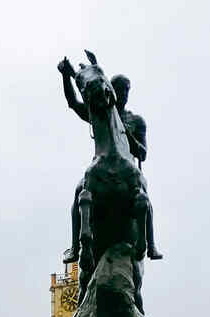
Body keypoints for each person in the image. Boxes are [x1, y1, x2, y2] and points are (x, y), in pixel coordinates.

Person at [58, 58, 162, 263]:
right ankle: (75, 246)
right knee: (80, 190)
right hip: (102, 164)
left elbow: (143, 153)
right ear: (111, 90)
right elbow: (73, 103)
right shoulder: (99, 113)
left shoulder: (136, 120)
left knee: (144, 196)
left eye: (126, 90)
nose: (123, 94)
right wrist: (65, 76)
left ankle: (151, 244)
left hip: (128, 169)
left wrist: (129, 138)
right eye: (119, 89)